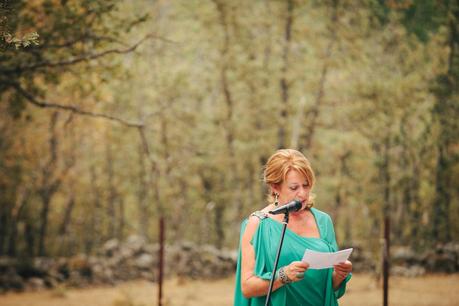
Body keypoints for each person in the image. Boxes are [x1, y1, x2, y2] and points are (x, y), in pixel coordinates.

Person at [234, 149, 352, 306]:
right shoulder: (258, 224)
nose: (303, 194)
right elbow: (247, 287)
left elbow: (329, 287)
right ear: (275, 187)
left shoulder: (323, 221)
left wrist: (339, 275)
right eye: (294, 188)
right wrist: (283, 276)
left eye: (306, 185)